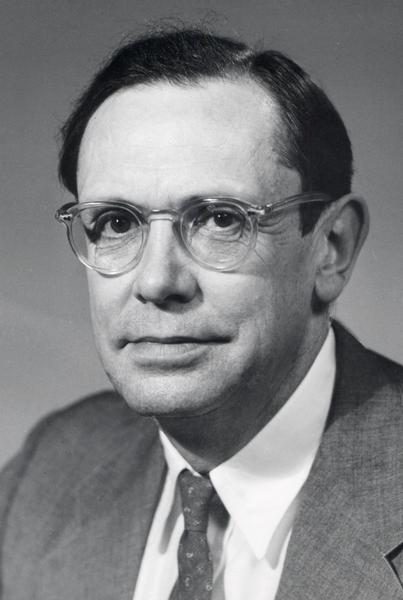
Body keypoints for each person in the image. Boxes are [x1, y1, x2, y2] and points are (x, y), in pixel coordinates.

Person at [1, 27, 402, 600]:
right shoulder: (50, 468)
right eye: (116, 222)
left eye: (220, 219)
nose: (157, 281)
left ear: (331, 248)